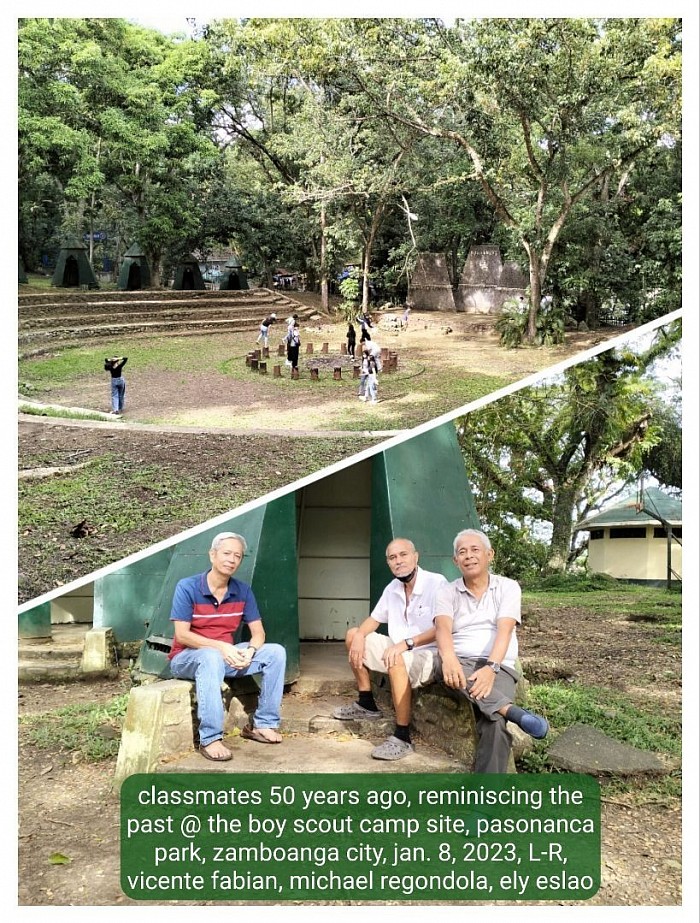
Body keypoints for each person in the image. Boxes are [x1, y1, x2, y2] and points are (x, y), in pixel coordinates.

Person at [435, 529, 548, 773]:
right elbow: (442, 629)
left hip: (500, 665)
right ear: (455, 561)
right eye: (462, 552)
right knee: (448, 667)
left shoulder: (507, 587)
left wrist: (492, 667)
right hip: (460, 661)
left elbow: (504, 631)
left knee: (495, 721)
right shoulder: (446, 591)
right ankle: (513, 712)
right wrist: (449, 658)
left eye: (475, 550)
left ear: (490, 555)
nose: (468, 556)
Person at [168, 532, 286, 762]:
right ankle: (210, 738)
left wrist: (250, 652)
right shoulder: (187, 587)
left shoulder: (242, 591)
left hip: (223, 656)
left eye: (238, 556)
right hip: (186, 658)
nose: (232, 560)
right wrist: (222, 647)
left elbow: (258, 633)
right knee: (211, 656)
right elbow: (182, 635)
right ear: (212, 555)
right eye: (227, 553)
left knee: (276, 653)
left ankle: (263, 724)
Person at [333, 538, 448, 760]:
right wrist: (358, 635)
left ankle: (402, 737)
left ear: (416, 557)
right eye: (392, 558)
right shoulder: (392, 588)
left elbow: (442, 627)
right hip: (398, 649)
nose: (398, 561)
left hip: (428, 654)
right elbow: (374, 620)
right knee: (352, 634)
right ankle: (366, 703)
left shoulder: (437, 583)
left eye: (403, 555)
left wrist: (406, 644)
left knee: (396, 658)